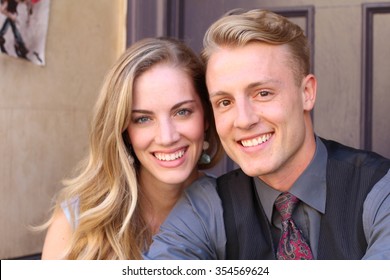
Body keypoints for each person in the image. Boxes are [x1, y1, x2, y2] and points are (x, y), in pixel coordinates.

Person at [144, 9, 390, 260]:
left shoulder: (380, 189)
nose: (244, 120)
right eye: (225, 102)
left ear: (307, 92)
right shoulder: (205, 209)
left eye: (263, 93)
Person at [39, 37, 222, 259]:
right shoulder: (79, 221)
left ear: (206, 116)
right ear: (124, 131)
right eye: (143, 119)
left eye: (182, 112)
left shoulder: (233, 212)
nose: (167, 137)